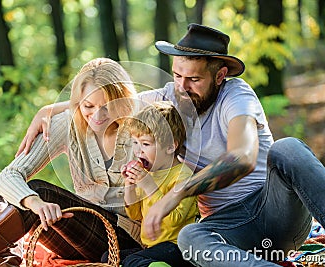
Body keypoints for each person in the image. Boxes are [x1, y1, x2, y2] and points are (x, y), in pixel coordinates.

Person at [17, 23, 325, 266]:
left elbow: (242, 156)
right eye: (177, 75)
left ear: (219, 76)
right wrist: (51, 110)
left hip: (272, 210)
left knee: (289, 149)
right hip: (228, 230)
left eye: (193, 79)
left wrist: (175, 194)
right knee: (191, 237)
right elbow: (108, 102)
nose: (182, 86)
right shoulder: (167, 98)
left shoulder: (237, 96)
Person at [0, 58, 143, 267]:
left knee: (39, 191)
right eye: (89, 105)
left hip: (121, 237)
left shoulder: (140, 129)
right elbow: (9, 175)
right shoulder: (68, 122)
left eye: (107, 107)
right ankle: (6, 263)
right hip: (75, 233)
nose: (97, 116)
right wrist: (34, 202)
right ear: (78, 103)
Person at [120, 101, 199, 267]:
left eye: (146, 144)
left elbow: (174, 220)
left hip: (178, 248)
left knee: (133, 261)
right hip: (153, 247)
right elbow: (135, 215)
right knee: (111, 257)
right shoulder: (148, 174)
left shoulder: (183, 176)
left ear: (170, 146)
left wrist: (149, 187)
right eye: (135, 142)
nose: (138, 151)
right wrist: (129, 186)